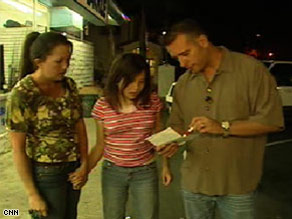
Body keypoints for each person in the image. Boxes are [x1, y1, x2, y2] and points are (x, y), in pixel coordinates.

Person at [158, 19, 284, 219]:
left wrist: (223, 127)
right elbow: (177, 126)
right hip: (194, 184)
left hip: (237, 185)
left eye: (185, 54)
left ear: (202, 41)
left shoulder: (251, 71)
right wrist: (170, 142)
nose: (182, 63)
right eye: (176, 58)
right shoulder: (183, 84)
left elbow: (272, 120)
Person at [6, 31, 88, 219]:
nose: (65, 67)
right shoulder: (23, 94)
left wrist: (84, 164)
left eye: (68, 60)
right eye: (58, 62)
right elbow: (18, 149)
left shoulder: (69, 86)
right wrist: (32, 194)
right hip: (45, 173)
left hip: (73, 169)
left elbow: (79, 126)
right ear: (38, 62)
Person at [88, 53, 172, 219]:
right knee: (113, 215)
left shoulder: (152, 101)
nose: (135, 87)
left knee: (147, 215)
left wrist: (165, 166)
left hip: (145, 170)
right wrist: (85, 170)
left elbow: (159, 135)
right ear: (117, 79)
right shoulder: (103, 105)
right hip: (113, 170)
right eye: (130, 81)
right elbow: (100, 145)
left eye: (141, 82)